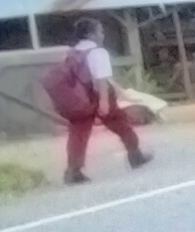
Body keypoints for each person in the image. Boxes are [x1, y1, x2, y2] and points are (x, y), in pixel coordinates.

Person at [49, 17, 149, 182]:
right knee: (121, 125)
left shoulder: (73, 53)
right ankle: (135, 155)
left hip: (80, 98)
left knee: (78, 133)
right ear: (91, 34)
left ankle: (73, 171)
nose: (102, 35)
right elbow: (101, 79)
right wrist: (104, 101)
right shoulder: (98, 52)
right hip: (98, 94)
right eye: (100, 31)